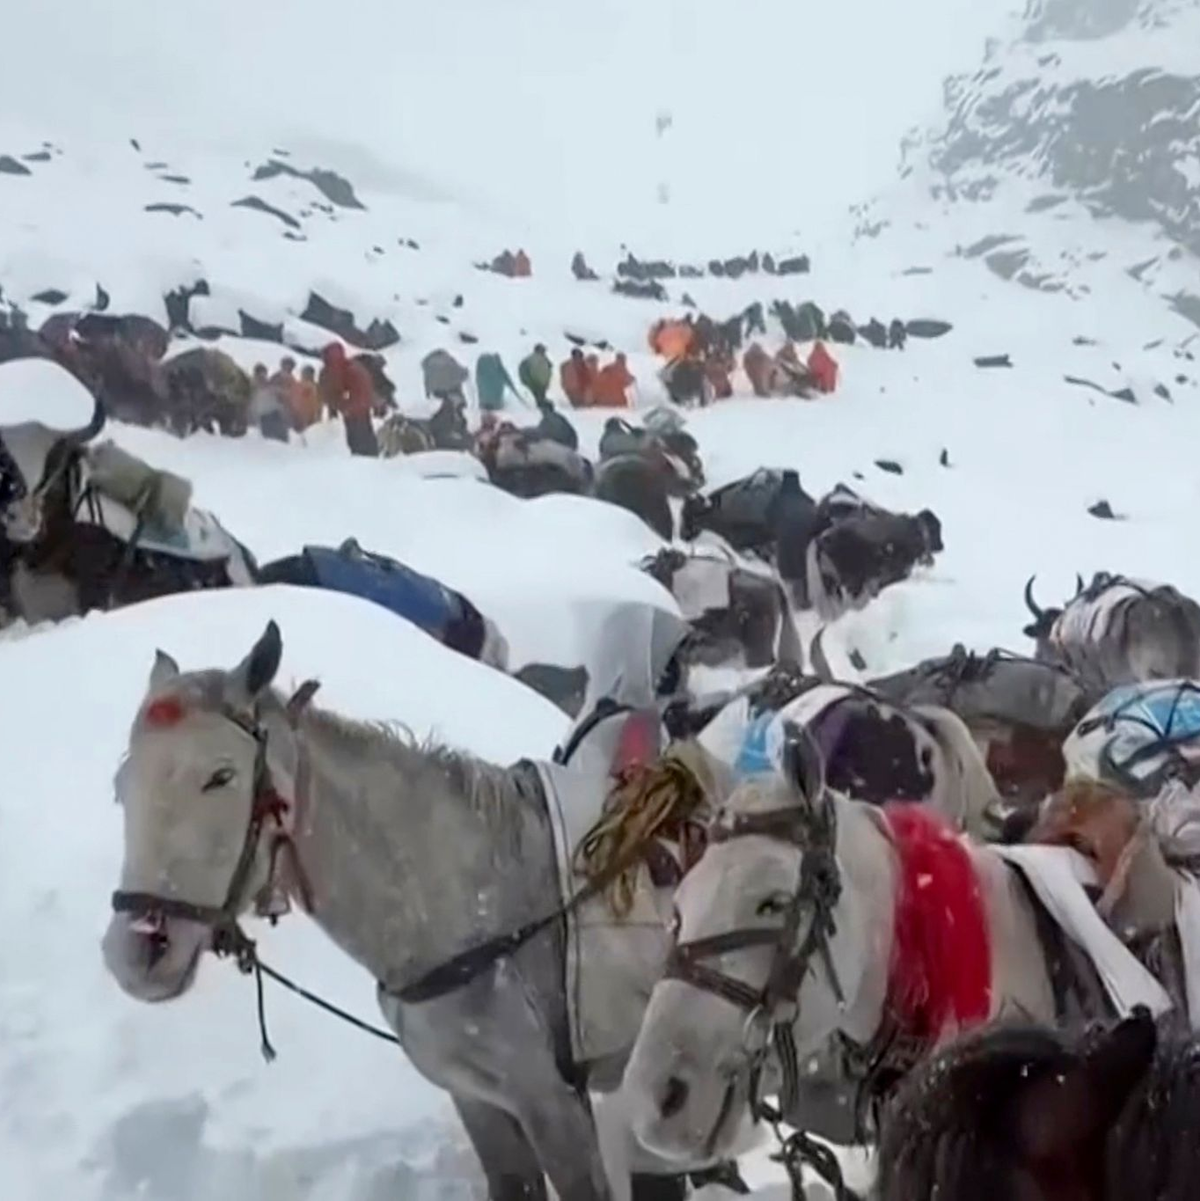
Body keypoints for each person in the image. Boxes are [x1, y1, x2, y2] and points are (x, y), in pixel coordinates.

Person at [769, 469, 820, 606]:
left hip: (785, 551)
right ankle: (806, 608)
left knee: (789, 588)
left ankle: (793, 611)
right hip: (805, 553)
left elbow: (769, 522)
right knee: (802, 583)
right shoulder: (808, 501)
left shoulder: (778, 500)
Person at [319, 342, 379, 456]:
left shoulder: (339, 369)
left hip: (354, 410)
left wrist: (344, 406)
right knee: (365, 437)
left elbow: (334, 388)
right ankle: (370, 460)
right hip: (361, 408)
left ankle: (363, 461)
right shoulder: (352, 367)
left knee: (357, 439)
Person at [249, 362, 290, 442]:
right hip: (263, 418)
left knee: (282, 440)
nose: (262, 376)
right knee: (270, 441)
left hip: (275, 414)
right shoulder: (252, 387)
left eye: (263, 373)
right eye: (259, 374)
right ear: (255, 374)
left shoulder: (271, 385)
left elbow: (283, 396)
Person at [293, 363, 322, 429]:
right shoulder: (297, 385)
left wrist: (318, 416)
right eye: (306, 373)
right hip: (299, 416)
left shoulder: (317, 386)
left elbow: (320, 402)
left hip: (312, 416)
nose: (307, 375)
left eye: (309, 373)